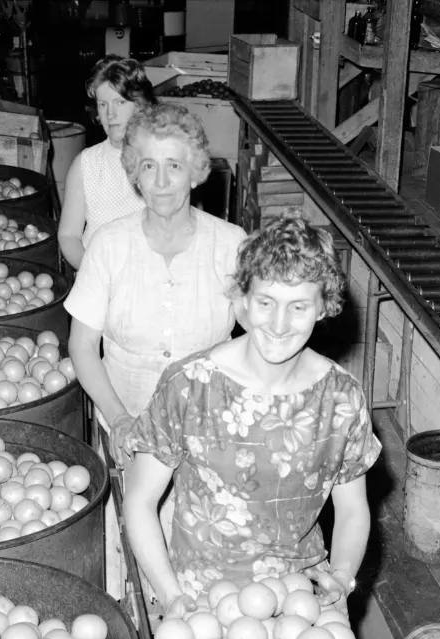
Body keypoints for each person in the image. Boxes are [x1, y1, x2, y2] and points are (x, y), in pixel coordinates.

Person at [116, 214, 379, 608]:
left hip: (301, 594)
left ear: (324, 307)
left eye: (298, 307)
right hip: (200, 596)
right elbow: (139, 501)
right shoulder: (190, 386)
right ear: (243, 299)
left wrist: (341, 577)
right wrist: (171, 596)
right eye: (265, 302)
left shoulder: (341, 399)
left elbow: (353, 509)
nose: (278, 324)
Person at [64, 101, 247, 432]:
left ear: (195, 173)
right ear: (135, 174)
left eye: (174, 166)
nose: (161, 182)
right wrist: (118, 418)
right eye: (149, 166)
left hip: (208, 428)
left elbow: (261, 331)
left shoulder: (231, 244)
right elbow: (82, 345)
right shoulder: (108, 245)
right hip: (126, 425)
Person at [56, 57, 154, 270]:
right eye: (103, 104)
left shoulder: (159, 159)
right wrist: (95, 275)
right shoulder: (86, 164)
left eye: (120, 102)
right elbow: (68, 235)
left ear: (140, 105)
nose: (110, 114)